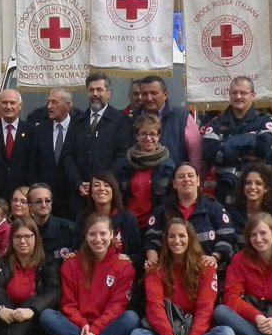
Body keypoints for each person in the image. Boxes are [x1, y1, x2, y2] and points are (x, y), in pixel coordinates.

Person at [131, 217, 236, 335]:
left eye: (182, 236)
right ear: (166, 240)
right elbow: (154, 307)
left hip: (196, 330)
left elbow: (205, 308)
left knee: (226, 334)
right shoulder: (155, 270)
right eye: (171, 236)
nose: (176, 240)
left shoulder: (206, 267)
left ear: (190, 238)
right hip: (168, 328)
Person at [39, 212, 139, 335]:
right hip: (78, 327)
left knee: (131, 318)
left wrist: (95, 329)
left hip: (106, 326)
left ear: (112, 235)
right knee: (47, 316)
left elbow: (117, 307)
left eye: (103, 234)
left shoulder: (124, 266)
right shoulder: (70, 264)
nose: (98, 239)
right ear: (85, 235)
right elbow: (68, 305)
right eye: (92, 234)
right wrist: (84, 325)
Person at [200, 76, 272, 215]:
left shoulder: (265, 121)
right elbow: (209, 154)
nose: (238, 97)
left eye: (243, 93)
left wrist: (229, 144)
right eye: (234, 93)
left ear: (253, 96)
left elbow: (264, 149)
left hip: (256, 195)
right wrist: (249, 144)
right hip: (225, 193)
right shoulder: (216, 123)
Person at [143, 163, 236, 270]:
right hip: (171, 273)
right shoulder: (161, 211)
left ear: (198, 180)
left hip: (206, 271)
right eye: (181, 177)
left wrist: (214, 258)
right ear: (174, 183)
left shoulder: (214, 208)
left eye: (190, 175)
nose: (186, 179)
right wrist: (153, 261)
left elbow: (228, 239)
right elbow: (152, 241)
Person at [71, 73, 133, 202]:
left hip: (109, 192)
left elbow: (122, 156)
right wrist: (78, 182)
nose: (95, 94)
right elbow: (68, 154)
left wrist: (101, 184)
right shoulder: (77, 121)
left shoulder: (120, 120)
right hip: (81, 193)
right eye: (91, 90)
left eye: (99, 90)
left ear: (108, 93)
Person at [27, 89, 82, 218]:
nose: (49, 106)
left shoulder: (80, 128)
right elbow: (34, 165)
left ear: (68, 105)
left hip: (72, 196)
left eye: (54, 102)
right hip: (46, 199)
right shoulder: (40, 130)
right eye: (48, 102)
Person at [119, 114, 175, 228]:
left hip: (157, 224)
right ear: (137, 136)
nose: (148, 138)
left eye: (153, 134)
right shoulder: (126, 164)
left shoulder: (168, 166)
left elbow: (170, 199)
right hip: (130, 224)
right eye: (143, 133)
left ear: (159, 136)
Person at [80, 171, 142, 270]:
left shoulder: (128, 218)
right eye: (96, 185)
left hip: (121, 272)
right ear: (90, 192)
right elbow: (77, 250)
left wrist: (129, 260)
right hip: (90, 271)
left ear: (114, 190)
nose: (101, 188)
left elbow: (137, 254)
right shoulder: (83, 218)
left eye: (106, 185)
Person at [0, 89, 32, 202]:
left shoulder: (31, 131)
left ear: (20, 105)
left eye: (12, 103)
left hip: (23, 196)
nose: (8, 106)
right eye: (4, 102)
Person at [230, 161, 272, 249]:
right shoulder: (232, 216)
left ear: (266, 188)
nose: (252, 187)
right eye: (248, 183)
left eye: (258, 183)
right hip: (239, 262)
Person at [27, 184, 77, 262]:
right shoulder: (25, 230)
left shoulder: (68, 228)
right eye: (38, 201)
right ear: (29, 207)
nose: (44, 205)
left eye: (47, 201)